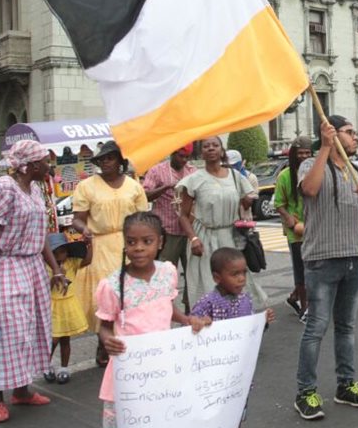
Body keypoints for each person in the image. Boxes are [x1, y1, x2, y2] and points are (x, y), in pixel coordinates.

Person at [95, 211, 211, 428]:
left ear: (160, 243)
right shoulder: (113, 284)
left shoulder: (167, 273)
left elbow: (167, 306)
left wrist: (188, 320)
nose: (139, 248)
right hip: (131, 381)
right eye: (131, 242)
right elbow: (103, 326)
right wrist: (109, 341)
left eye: (147, 241)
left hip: (164, 375)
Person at [0, 139, 67, 424]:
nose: (50, 165)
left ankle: (22, 391)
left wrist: (56, 270)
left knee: (32, 329)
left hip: (32, 267)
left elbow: (40, 237)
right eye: (45, 160)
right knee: (5, 331)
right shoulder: (3, 188)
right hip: (6, 266)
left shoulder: (36, 189)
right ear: (31, 165)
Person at [295, 115, 358, 419]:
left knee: (346, 326)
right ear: (330, 133)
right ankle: (306, 391)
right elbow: (310, 190)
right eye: (348, 132)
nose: (355, 137)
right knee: (316, 328)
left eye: (355, 132)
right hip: (322, 259)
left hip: (355, 258)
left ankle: (346, 385)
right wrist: (325, 148)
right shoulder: (311, 165)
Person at [191, 247, 276, 428]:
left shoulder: (245, 299)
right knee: (213, 418)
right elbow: (190, 330)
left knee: (236, 416)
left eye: (243, 273)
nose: (241, 279)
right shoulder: (207, 302)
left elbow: (249, 332)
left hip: (239, 375)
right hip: (213, 377)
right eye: (234, 274)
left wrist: (262, 323)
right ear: (218, 277)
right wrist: (199, 323)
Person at [71, 140, 148, 365]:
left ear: (119, 161)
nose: (105, 162)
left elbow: (142, 217)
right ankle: (103, 342)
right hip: (101, 246)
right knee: (106, 297)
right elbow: (77, 218)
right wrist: (83, 229)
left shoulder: (134, 186)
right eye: (102, 159)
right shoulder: (87, 187)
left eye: (110, 158)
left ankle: (126, 341)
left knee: (130, 295)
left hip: (129, 244)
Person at [178, 136, 267, 314]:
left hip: (231, 238)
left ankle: (240, 322)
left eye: (215, 145)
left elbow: (245, 202)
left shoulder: (235, 176)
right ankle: (207, 325)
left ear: (222, 150)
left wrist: (247, 201)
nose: (211, 148)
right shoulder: (193, 180)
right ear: (200, 152)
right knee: (208, 284)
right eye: (206, 146)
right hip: (204, 240)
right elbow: (183, 215)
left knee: (237, 281)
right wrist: (193, 238)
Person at [141, 145, 197, 282]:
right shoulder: (157, 171)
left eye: (187, 157)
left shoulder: (193, 172)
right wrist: (165, 187)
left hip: (190, 231)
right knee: (165, 274)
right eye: (181, 156)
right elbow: (145, 195)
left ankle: (190, 301)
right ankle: (165, 302)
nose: (184, 160)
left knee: (194, 273)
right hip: (168, 231)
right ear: (172, 153)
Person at [274, 135, 313, 319]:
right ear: (293, 155)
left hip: (315, 227)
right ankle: (305, 308)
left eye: (308, 153)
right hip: (296, 231)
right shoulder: (284, 176)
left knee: (314, 269)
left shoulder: (315, 172)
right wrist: (289, 219)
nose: (304, 156)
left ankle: (294, 297)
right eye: (300, 153)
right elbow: (279, 204)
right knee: (301, 271)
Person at [44, 232, 89, 385]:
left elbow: (88, 260)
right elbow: (45, 289)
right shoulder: (47, 267)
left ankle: (64, 368)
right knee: (53, 339)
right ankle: (46, 365)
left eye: (62, 252)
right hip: (53, 306)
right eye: (55, 253)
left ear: (67, 252)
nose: (59, 256)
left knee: (65, 339)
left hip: (68, 305)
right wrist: (55, 276)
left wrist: (91, 244)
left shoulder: (71, 263)